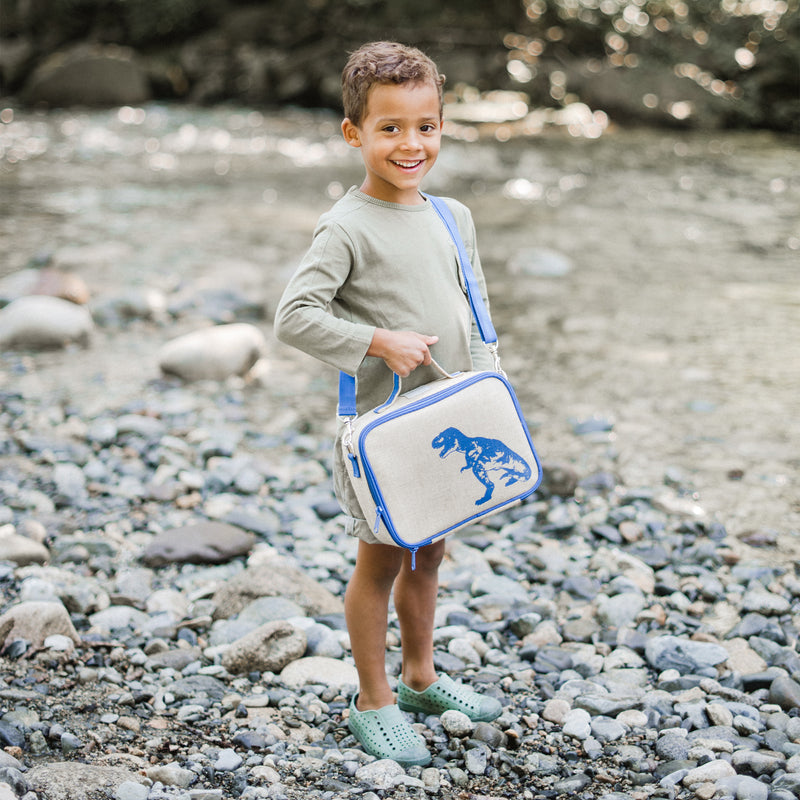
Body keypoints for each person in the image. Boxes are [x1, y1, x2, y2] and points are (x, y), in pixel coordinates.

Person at [273, 41, 502, 767]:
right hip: (386, 431)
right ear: (354, 134)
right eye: (391, 128)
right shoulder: (346, 226)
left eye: (426, 127)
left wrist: (491, 375)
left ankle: (420, 678)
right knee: (379, 561)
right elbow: (294, 315)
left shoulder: (453, 215)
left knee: (428, 554)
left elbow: (475, 299)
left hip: (451, 418)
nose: (412, 145)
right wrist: (377, 341)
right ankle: (371, 700)